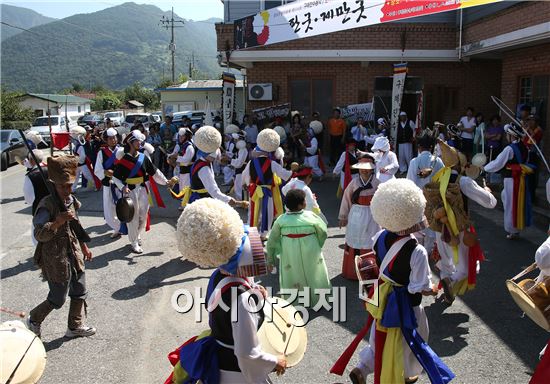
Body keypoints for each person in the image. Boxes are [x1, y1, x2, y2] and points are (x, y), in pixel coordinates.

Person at [166, 198, 287, 383]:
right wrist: (275, 361)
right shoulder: (243, 298)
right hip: (236, 372)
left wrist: (255, 291)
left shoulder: (218, 275)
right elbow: (248, 355)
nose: (259, 249)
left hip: (219, 358)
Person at [346, 179, 453, 384]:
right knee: (411, 340)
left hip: (382, 297)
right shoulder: (417, 250)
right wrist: (432, 289)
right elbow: (418, 286)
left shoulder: (378, 237)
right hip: (405, 304)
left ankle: (362, 368)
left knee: (378, 337)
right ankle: (403, 375)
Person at [26, 155, 96, 339]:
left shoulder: (71, 200)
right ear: (54, 185)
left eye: (69, 185)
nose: (66, 190)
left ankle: (74, 326)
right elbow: (39, 234)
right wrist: (57, 222)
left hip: (73, 251)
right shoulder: (46, 205)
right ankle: (34, 319)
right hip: (55, 256)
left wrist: (84, 247)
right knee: (58, 298)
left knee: (80, 290)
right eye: (62, 186)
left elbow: (76, 225)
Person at [429, 141, 497, 304]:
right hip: (458, 228)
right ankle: (450, 283)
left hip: (440, 228)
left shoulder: (438, 177)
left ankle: (447, 291)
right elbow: (490, 203)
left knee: (446, 262)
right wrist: (487, 192)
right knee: (465, 268)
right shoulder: (464, 181)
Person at [266, 189, 331, 307]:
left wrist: (271, 259)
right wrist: (318, 245)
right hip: (311, 248)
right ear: (301, 204)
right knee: (314, 273)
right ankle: (319, 299)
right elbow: (323, 232)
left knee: (292, 274)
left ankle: (295, 301)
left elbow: (272, 240)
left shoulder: (281, 220)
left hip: (289, 250)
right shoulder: (311, 216)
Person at [112, 130, 174, 253]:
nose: (140, 143)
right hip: (130, 191)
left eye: (140, 140)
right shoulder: (124, 160)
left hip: (143, 190)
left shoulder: (143, 158)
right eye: (137, 141)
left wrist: (166, 181)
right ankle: (134, 241)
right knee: (133, 217)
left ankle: (137, 234)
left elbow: (155, 172)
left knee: (143, 216)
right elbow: (116, 178)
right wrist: (122, 187)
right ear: (131, 142)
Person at [484, 123, 535, 239]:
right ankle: (515, 228)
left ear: (511, 135)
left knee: (510, 203)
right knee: (515, 201)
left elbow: (498, 163)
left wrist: (485, 168)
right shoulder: (526, 148)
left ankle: (512, 230)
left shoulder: (509, 149)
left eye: (507, 134)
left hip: (512, 180)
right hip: (521, 180)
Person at [243, 128, 293, 239]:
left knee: (253, 211)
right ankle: (264, 234)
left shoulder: (251, 162)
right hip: (267, 191)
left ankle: (252, 232)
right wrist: (294, 171)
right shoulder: (272, 163)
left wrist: (247, 184)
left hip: (254, 190)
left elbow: (245, 176)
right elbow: (284, 174)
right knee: (268, 212)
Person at [338, 155, 380, 280]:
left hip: (372, 215)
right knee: (355, 239)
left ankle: (370, 270)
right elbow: (346, 198)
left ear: (372, 169)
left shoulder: (377, 183)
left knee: (371, 239)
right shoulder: (354, 182)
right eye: (362, 168)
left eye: (367, 168)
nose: (364, 171)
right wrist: (343, 216)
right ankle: (352, 271)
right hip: (356, 213)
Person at [176, 126, 235, 207]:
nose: (215, 159)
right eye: (213, 156)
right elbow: (213, 191)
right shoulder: (204, 168)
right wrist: (228, 199)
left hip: (197, 199)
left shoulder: (199, 162)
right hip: (202, 202)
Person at [94, 128, 123, 238]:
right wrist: (106, 172)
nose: (113, 140)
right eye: (110, 138)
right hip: (108, 183)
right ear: (106, 140)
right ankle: (117, 228)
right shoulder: (101, 152)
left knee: (124, 206)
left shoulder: (122, 150)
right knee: (109, 208)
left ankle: (126, 227)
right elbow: (97, 169)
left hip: (121, 183)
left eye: (115, 137)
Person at [23, 149, 49, 245]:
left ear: (31, 161)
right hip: (55, 206)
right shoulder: (51, 169)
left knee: (38, 235)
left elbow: (29, 198)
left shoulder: (30, 176)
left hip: (40, 208)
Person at [169, 128, 195, 209]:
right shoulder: (181, 146)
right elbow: (177, 156)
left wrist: (176, 157)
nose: (180, 138)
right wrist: (171, 157)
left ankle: (187, 205)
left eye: (182, 136)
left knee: (187, 188)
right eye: (180, 136)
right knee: (182, 187)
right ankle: (183, 204)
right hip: (181, 170)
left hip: (188, 171)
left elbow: (186, 159)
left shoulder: (189, 147)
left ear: (186, 137)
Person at [70, 126, 101, 192]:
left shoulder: (81, 145)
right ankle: (72, 189)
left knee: (89, 176)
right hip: (78, 163)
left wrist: (79, 162)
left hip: (82, 164)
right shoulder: (78, 145)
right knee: (76, 177)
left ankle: (96, 185)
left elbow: (83, 156)